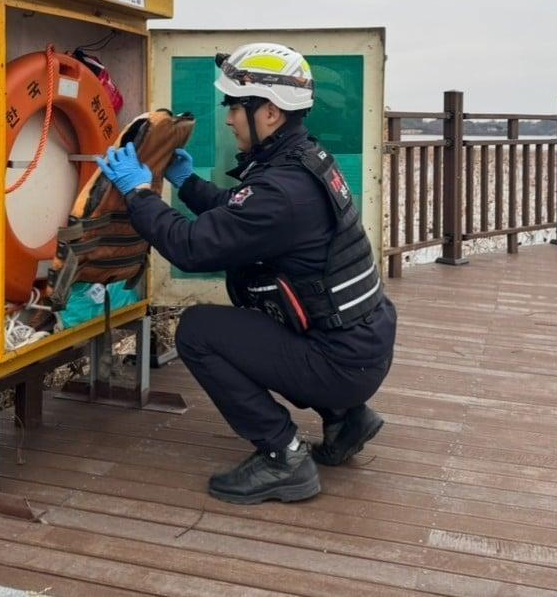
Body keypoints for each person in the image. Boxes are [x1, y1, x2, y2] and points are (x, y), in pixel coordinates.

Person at [96, 42, 396, 504]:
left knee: (198, 332)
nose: (230, 117)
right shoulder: (303, 162)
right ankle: (346, 418)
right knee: (268, 318)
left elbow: (192, 247)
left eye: (236, 105)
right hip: (360, 346)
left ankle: (283, 454)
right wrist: (187, 184)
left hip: (341, 360)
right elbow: (240, 214)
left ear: (270, 113)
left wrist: (138, 193)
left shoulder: (281, 189)